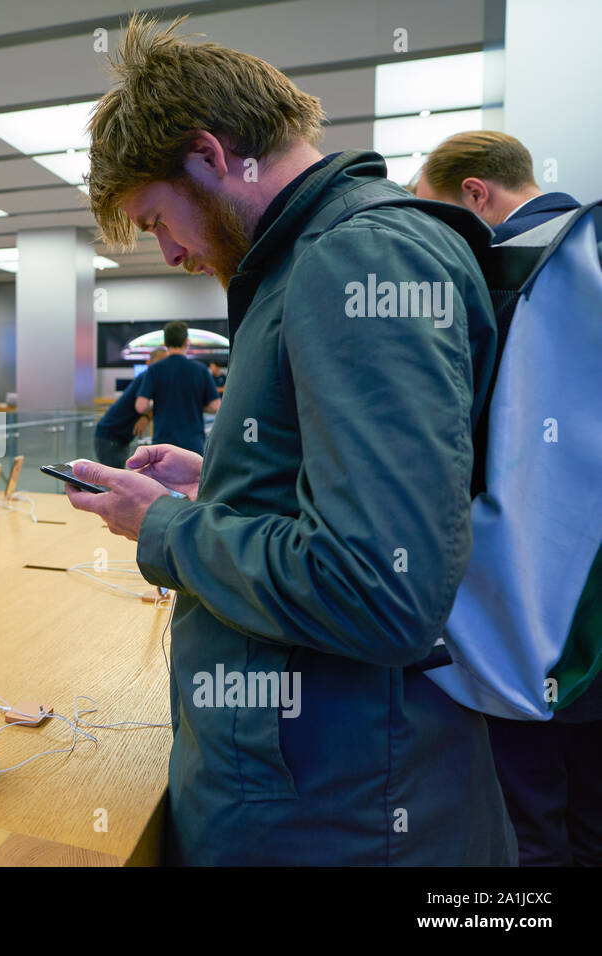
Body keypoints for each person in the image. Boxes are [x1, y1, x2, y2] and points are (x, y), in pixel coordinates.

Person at [68, 14, 514, 865]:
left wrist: (162, 526)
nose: (167, 252)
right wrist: (229, 477)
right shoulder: (318, 258)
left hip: (340, 813)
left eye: (158, 218)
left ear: (207, 155)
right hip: (324, 781)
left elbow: (379, 589)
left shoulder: (357, 261)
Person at [420, 132, 598, 867]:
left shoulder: (509, 272)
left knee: (524, 834)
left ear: (474, 195)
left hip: (521, 619)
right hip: (589, 614)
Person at [416, 130, 581, 241]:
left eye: (437, 216)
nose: (436, 229)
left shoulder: (497, 255)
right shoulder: (587, 223)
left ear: (475, 194)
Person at [134, 321, 219, 454]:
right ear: (186, 342)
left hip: (163, 445)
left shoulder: (154, 370)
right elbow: (216, 407)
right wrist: (192, 404)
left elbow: (141, 406)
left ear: (165, 344)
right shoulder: (200, 370)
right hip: (193, 445)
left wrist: (160, 404)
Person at [94, 347, 166, 467]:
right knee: (113, 481)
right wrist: (146, 416)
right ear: (149, 363)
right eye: (160, 362)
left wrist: (146, 417)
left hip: (118, 439)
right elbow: (146, 404)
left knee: (116, 478)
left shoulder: (150, 378)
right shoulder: (147, 377)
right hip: (110, 438)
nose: (163, 367)